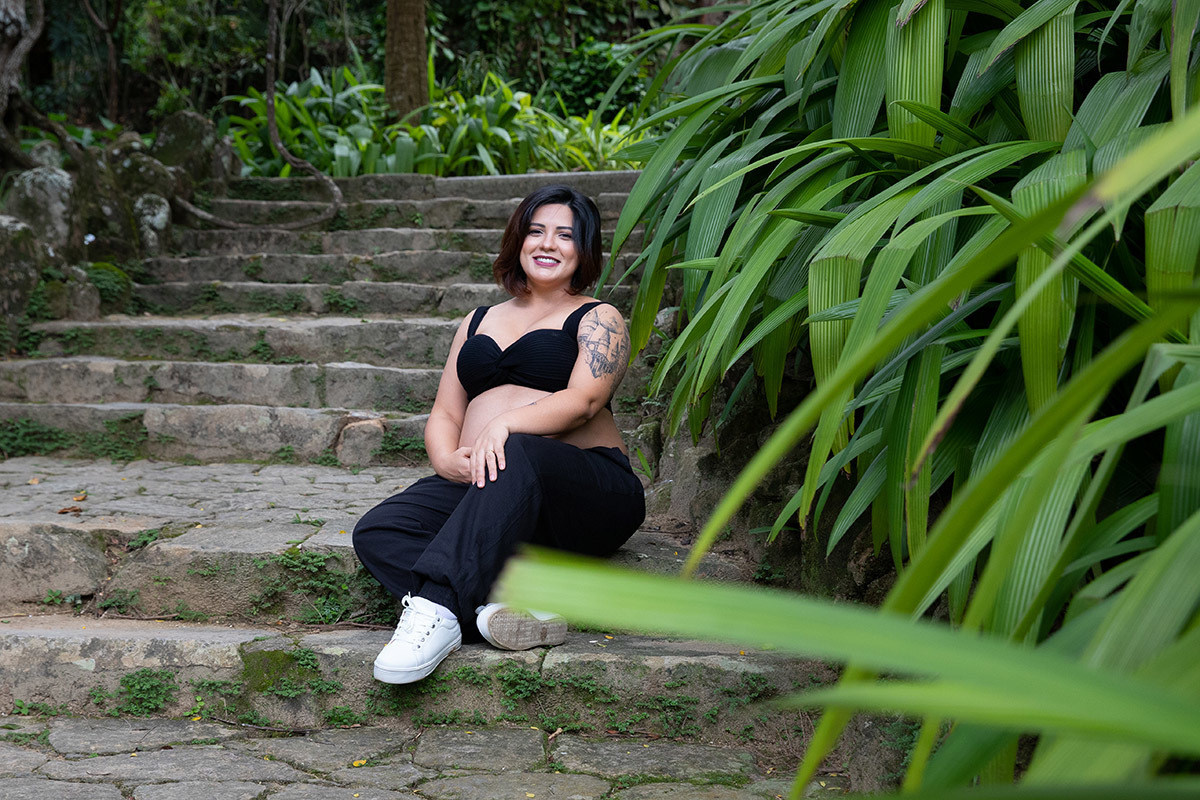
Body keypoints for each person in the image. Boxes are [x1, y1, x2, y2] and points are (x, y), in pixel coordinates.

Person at [353, 184, 646, 684]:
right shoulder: (478, 321)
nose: (547, 244)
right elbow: (446, 411)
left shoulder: (599, 318)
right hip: (490, 485)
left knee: (520, 449)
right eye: (536, 231)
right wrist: (446, 459)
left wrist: (504, 423)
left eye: (565, 235)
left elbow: (584, 401)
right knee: (381, 529)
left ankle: (436, 612)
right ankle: (502, 608)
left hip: (586, 494)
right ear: (518, 240)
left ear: (584, 249)